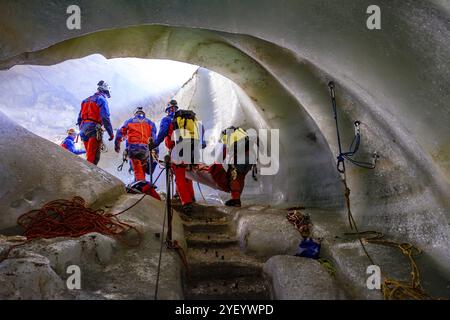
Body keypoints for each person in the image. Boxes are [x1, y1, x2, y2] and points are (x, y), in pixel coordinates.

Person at [149, 99, 205, 213]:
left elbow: (163, 132)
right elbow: (201, 128)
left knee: (179, 177)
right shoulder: (189, 119)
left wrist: (154, 144)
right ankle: (191, 197)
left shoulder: (167, 119)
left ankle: (187, 203)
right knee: (187, 174)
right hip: (192, 149)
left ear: (168, 110)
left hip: (177, 150)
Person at [114, 107, 160, 200]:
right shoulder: (151, 123)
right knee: (142, 169)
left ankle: (142, 189)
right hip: (146, 150)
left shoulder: (129, 121)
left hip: (134, 149)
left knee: (138, 170)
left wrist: (117, 145)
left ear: (135, 114)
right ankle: (141, 185)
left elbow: (120, 132)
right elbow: (154, 139)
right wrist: (156, 152)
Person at [77, 81, 114, 165]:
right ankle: (88, 176)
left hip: (83, 130)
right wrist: (111, 133)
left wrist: (82, 129)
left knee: (89, 155)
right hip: (93, 130)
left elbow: (79, 118)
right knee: (93, 158)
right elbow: (105, 117)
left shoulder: (85, 100)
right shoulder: (101, 99)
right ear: (106, 91)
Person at [220, 126, 254, 207]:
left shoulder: (227, 137)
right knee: (241, 177)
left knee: (233, 178)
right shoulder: (242, 133)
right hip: (251, 158)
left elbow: (224, 152)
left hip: (240, 158)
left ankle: (235, 200)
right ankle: (237, 198)